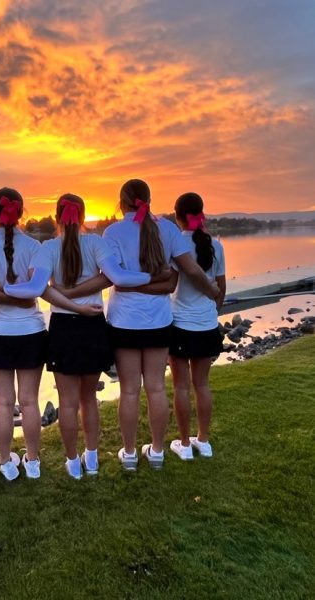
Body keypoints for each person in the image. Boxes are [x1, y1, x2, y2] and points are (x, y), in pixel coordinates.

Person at [4, 193, 163, 479]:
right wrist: (152, 277)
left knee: (67, 403)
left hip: (64, 329)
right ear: (83, 216)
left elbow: (36, 287)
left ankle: (73, 463)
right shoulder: (96, 243)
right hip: (93, 326)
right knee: (88, 399)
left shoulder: (48, 247)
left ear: (56, 218)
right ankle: (91, 458)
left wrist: (2, 287)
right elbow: (119, 277)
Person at [0, 188, 96, 480]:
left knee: (4, 402)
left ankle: (5, 463)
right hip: (31, 330)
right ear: (21, 213)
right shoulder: (36, 247)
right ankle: (32, 461)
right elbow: (38, 291)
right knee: (29, 401)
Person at [102, 179, 219, 471]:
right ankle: (156, 452)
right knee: (155, 388)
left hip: (124, 321)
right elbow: (190, 269)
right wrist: (213, 291)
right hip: (158, 321)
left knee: (129, 390)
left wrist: (133, 287)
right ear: (149, 199)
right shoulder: (167, 229)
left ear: (121, 202)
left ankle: (129, 454)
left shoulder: (113, 232)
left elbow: (117, 279)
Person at [168, 193, 226, 460]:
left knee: (181, 387)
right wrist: (213, 311)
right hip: (206, 324)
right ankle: (203, 440)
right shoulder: (216, 245)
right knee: (201, 385)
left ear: (177, 214)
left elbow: (170, 282)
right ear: (201, 212)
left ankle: (184, 444)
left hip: (179, 323)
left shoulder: (175, 243)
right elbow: (220, 289)